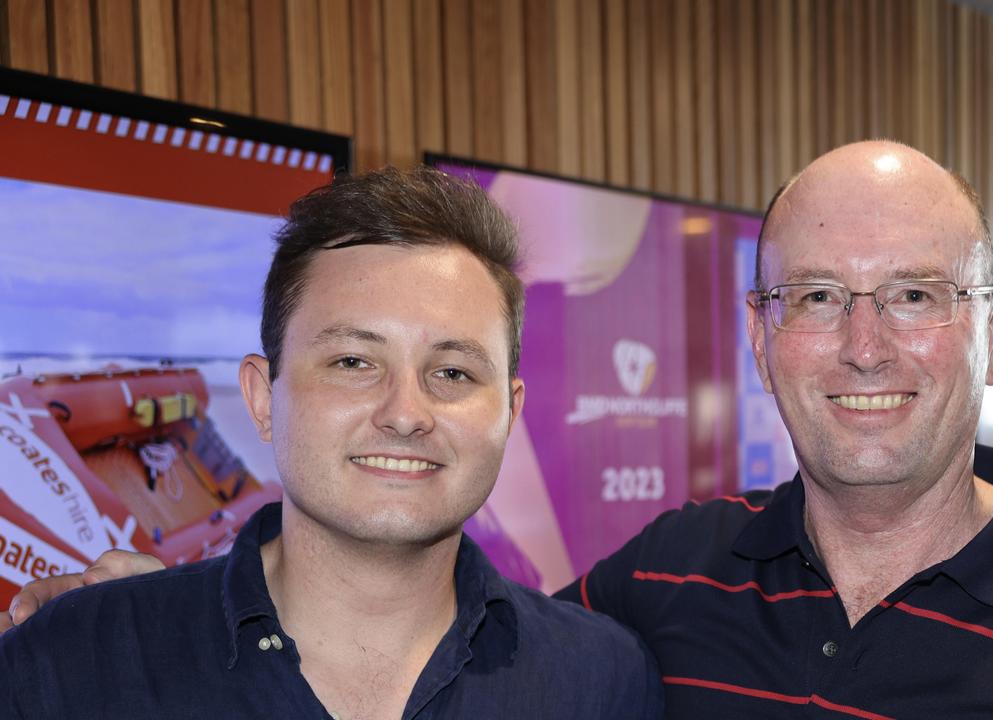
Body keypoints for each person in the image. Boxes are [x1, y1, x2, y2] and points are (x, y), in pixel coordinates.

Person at [6, 141, 993, 719]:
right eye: (818, 297)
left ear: (989, 330)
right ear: (762, 333)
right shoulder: (656, 597)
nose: (864, 345)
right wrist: (137, 604)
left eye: (916, 297)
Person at [0, 166, 662, 719]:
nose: (406, 414)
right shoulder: (76, 662)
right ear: (262, 398)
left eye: (453, 372)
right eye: (353, 362)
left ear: (510, 413)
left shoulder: (602, 682)